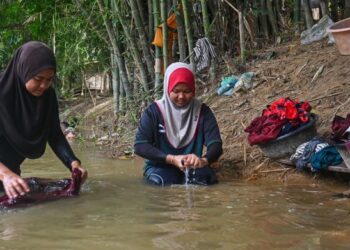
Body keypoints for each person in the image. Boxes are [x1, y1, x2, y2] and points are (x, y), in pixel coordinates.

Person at [0, 41, 88, 199]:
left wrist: (74, 164)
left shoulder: (46, 97)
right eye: (38, 78)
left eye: (49, 80)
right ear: (23, 71)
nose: (43, 85)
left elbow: (54, 135)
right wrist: (4, 174)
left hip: (12, 178)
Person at [134, 62, 222, 186]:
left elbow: (216, 144)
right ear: (168, 88)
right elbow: (140, 146)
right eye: (176, 91)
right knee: (163, 182)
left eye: (187, 91)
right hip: (161, 166)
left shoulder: (203, 112)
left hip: (192, 166)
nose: (181, 96)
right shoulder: (153, 112)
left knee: (204, 179)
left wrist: (203, 160)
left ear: (194, 90)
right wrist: (171, 159)